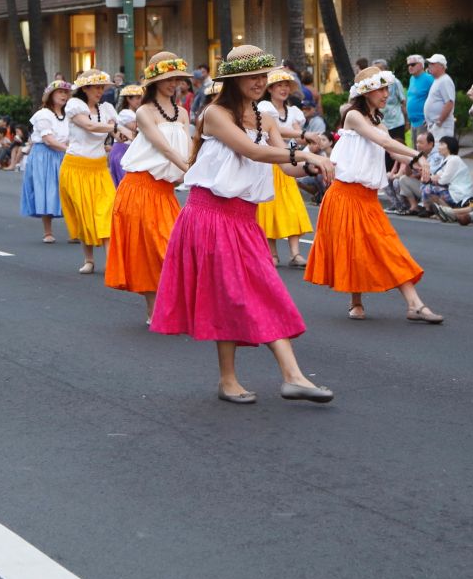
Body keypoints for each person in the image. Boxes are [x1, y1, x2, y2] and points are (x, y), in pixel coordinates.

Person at [150, 45, 337, 405]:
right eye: (252, 76)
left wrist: (315, 165)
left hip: (244, 219)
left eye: (263, 76)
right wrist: (304, 152)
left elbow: (285, 166)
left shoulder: (265, 117)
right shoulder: (215, 114)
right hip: (210, 216)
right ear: (233, 80)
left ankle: (269, 378)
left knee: (250, 293)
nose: (259, 82)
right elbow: (254, 153)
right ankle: (275, 377)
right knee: (237, 296)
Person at [305, 66, 445, 324]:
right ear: (366, 92)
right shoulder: (353, 116)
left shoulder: (378, 121)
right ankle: (360, 302)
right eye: (380, 88)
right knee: (355, 250)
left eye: (386, 88)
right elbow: (386, 143)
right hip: (345, 194)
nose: (386, 93)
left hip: (366, 197)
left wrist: (417, 163)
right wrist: (418, 156)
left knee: (386, 247)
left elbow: (394, 152)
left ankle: (412, 304)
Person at [106, 53, 193, 322]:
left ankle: (169, 308)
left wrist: (194, 168)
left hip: (164, 191)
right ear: (154, 82)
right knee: (152, 250)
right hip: (139, 187)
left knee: (173, 249)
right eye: (167, 79)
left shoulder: (183, 113)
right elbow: (163, 147)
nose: (172, 83)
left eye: (176, 79)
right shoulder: (144, 112)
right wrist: (191, 170)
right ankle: (154, 310)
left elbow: (188, 149)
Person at [255, 68, 314, 267]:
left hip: (289, 163)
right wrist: (302, 135)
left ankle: (295, 253)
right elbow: (276, 130)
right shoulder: (264, 107)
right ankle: (272, 253)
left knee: (292, 206)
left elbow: (297, 132)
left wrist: (309, 141)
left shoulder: (294, 112)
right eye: (279, 85)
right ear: (270, 89)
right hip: (271, 162)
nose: (283, 89)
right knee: (270, 207)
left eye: (286, 85)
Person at [61, 69, 118, 274]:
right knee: (84, 214)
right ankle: (89, 260)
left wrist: (133, 135)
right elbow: (90, 126)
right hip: (76, 167)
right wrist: (115, 128)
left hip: (99, 168)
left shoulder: (108, 108)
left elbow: (118, 130)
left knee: (106, 212)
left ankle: (111, 261)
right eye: (96, 87)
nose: (100, 91)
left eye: (102, 87)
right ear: (85, 89)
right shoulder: (74, 106)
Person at [21, 81, 72, 243]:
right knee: (48, 190)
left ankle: (75, 230)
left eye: (66, 92)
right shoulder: (43, 114)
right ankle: (47, 231)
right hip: (45, 155)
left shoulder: (70, 115)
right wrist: (68, 149)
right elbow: (48, 139)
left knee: (70, 192)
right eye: (60, 92)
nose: (64, 95)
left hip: (64, 153)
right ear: (51, 95)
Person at [420, 135, 473, 214]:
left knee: (428, 189)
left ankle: (440, 211)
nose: (439, 147)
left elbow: (443, 180)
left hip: (460, 194)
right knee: (428, 187)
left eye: (442, 144)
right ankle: (445, 212)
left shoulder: (454, 159)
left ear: (450, 146)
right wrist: (433, 177)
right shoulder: (446, 160)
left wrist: (434, 178)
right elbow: (437, 175)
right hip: (453, 191)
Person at [108, 84, 144, 186]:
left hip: (130, 150)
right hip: (122, 150)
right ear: (128, 99)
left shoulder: (136, 113)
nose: (140, 100)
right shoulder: (125, 113)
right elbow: (137, 128)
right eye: (137, 98)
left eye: (141, 97)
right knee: (124, 183)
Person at [421, 54, 456, 142]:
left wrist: (440, 121)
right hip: (436, 126)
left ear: (441, 66)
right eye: (429, 64)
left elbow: (449, 102)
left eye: (432, 64)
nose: (429, 66)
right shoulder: (438, 80)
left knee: (440, 151)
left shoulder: (445, 80)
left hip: (442, 127)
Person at [376, 59, 408, 142]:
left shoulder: (395, 82)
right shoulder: (374, 85)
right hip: (381, 124)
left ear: (386, 69)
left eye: (379, 69)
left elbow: (403, 102)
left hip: (396, 123)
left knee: (398, 150)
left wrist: (407, 121)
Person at [403, 54, 431, 146]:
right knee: (415, 152)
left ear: (420, 65)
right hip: (413, 123)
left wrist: (430, 118)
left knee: (422, 151)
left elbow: (436, 99)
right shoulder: (412, 78)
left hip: (423, 122)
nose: (410, 67)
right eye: (408, 65)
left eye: (412, 64)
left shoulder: (428, 79)